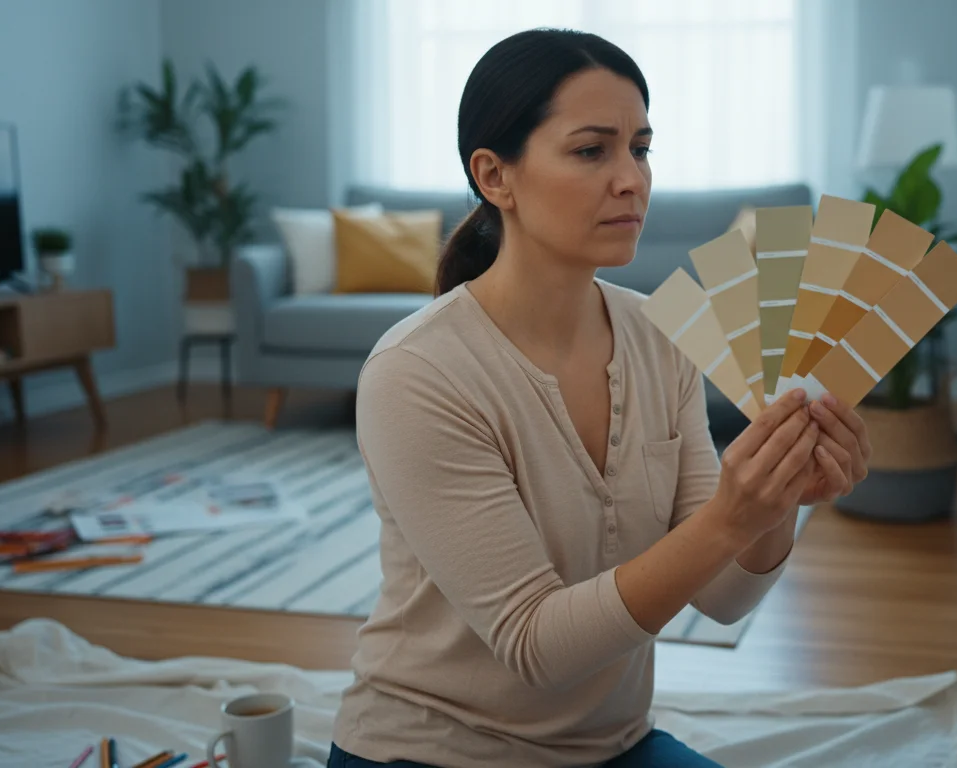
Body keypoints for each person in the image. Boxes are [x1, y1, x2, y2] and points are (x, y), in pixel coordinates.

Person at [329, 28, 872, 768]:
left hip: (612, 747)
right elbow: (536, 644)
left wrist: (777, 507)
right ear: (495, 176)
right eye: (593, 151)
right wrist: (728, 517)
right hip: (434, 752)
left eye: (641, 149)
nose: (632, 179)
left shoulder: (660, 333)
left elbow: (723, 599)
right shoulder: (417, 372)